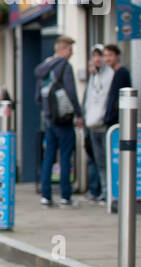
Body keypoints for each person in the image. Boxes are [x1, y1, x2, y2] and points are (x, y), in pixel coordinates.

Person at [34, 35, 83, 207]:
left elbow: (38, 96)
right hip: (63, 119)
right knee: (65, 156)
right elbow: (71, 92)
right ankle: (65, 196)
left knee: (48, 157)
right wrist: (79, 114)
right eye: (70, 49)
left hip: (48, 120)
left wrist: (46, 113)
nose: (71, 53)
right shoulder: (65, 67)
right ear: (63, 49)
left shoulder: (44, 68)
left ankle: (46, 196)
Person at [82, 45, 113, 201]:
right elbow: (89, 100)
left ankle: (109, 191)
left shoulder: (110, 75)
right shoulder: (94, 77)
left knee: (108, 160)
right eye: (94, 56)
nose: (97, 59)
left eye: (100, 55)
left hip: (105, 124)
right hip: (93, 125)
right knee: (99, 161)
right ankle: (104, 191)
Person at [102, 43, 132, 181]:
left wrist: (113, 117)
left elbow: (121, 100)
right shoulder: (114, 73)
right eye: (105, 56)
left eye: (110, 55)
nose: (107, 59)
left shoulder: (121, 73)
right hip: (113, 122)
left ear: (117, 56)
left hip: (118, 123)